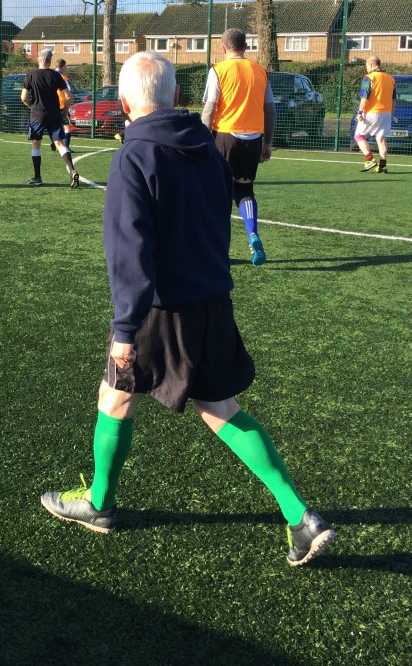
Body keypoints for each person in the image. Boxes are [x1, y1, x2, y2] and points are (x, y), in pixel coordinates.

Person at [40, 52, 334, 567]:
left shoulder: (133, 158)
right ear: (177, 97)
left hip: (160, 309)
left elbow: (128, 251)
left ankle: (99, 505)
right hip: (212, 300)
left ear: (125, 103)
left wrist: (125, 328)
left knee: (114, 397)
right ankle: (300, 515)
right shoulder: (210, 151)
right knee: (220, 409)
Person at [201, 28, 275, 266]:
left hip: (225, 137)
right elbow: (270, 110)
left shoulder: (218, 70)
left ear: (223, 49)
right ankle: (253, 235)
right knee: (245, 191)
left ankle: (217, 250)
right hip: (252, 139)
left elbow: (210, 109)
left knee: (217, 193)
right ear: (246, 47)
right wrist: (267, 142)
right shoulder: (260, 71)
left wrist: (203, 140)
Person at [20, 49, 80, 187]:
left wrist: (32, 106)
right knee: (59, 143)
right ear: (49, 60)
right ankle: (72, 170)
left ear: (38, 59)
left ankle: (37, 177)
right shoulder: (55, 75)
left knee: (36, 143)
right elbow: (69, 96)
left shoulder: (30, 75)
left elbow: (23, 97)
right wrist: (64, 111)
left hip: (37, 115)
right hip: (54, 114)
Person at [353, 56, 396, 173]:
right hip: (386, 113)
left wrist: (360, 112)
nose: (366, 68)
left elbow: (364, 97)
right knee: (381, 139)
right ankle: (382, 167)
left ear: (371, 65)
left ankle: (370, 159)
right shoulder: (390, 79)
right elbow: (393, 99)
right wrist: (391, 114)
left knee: (359, 136)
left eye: (367, 66)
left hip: (372, 112)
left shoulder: (369, 78)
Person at [51, 58, 73, 152]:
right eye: (66, 66)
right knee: (66, 126)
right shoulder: (63, 78)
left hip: (52, 105)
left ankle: (54, 142)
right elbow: (68, 93)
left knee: (54, 126)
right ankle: (66, 147)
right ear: (62, 66)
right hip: (62, 105)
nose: (67, 68)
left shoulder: (50, 75)